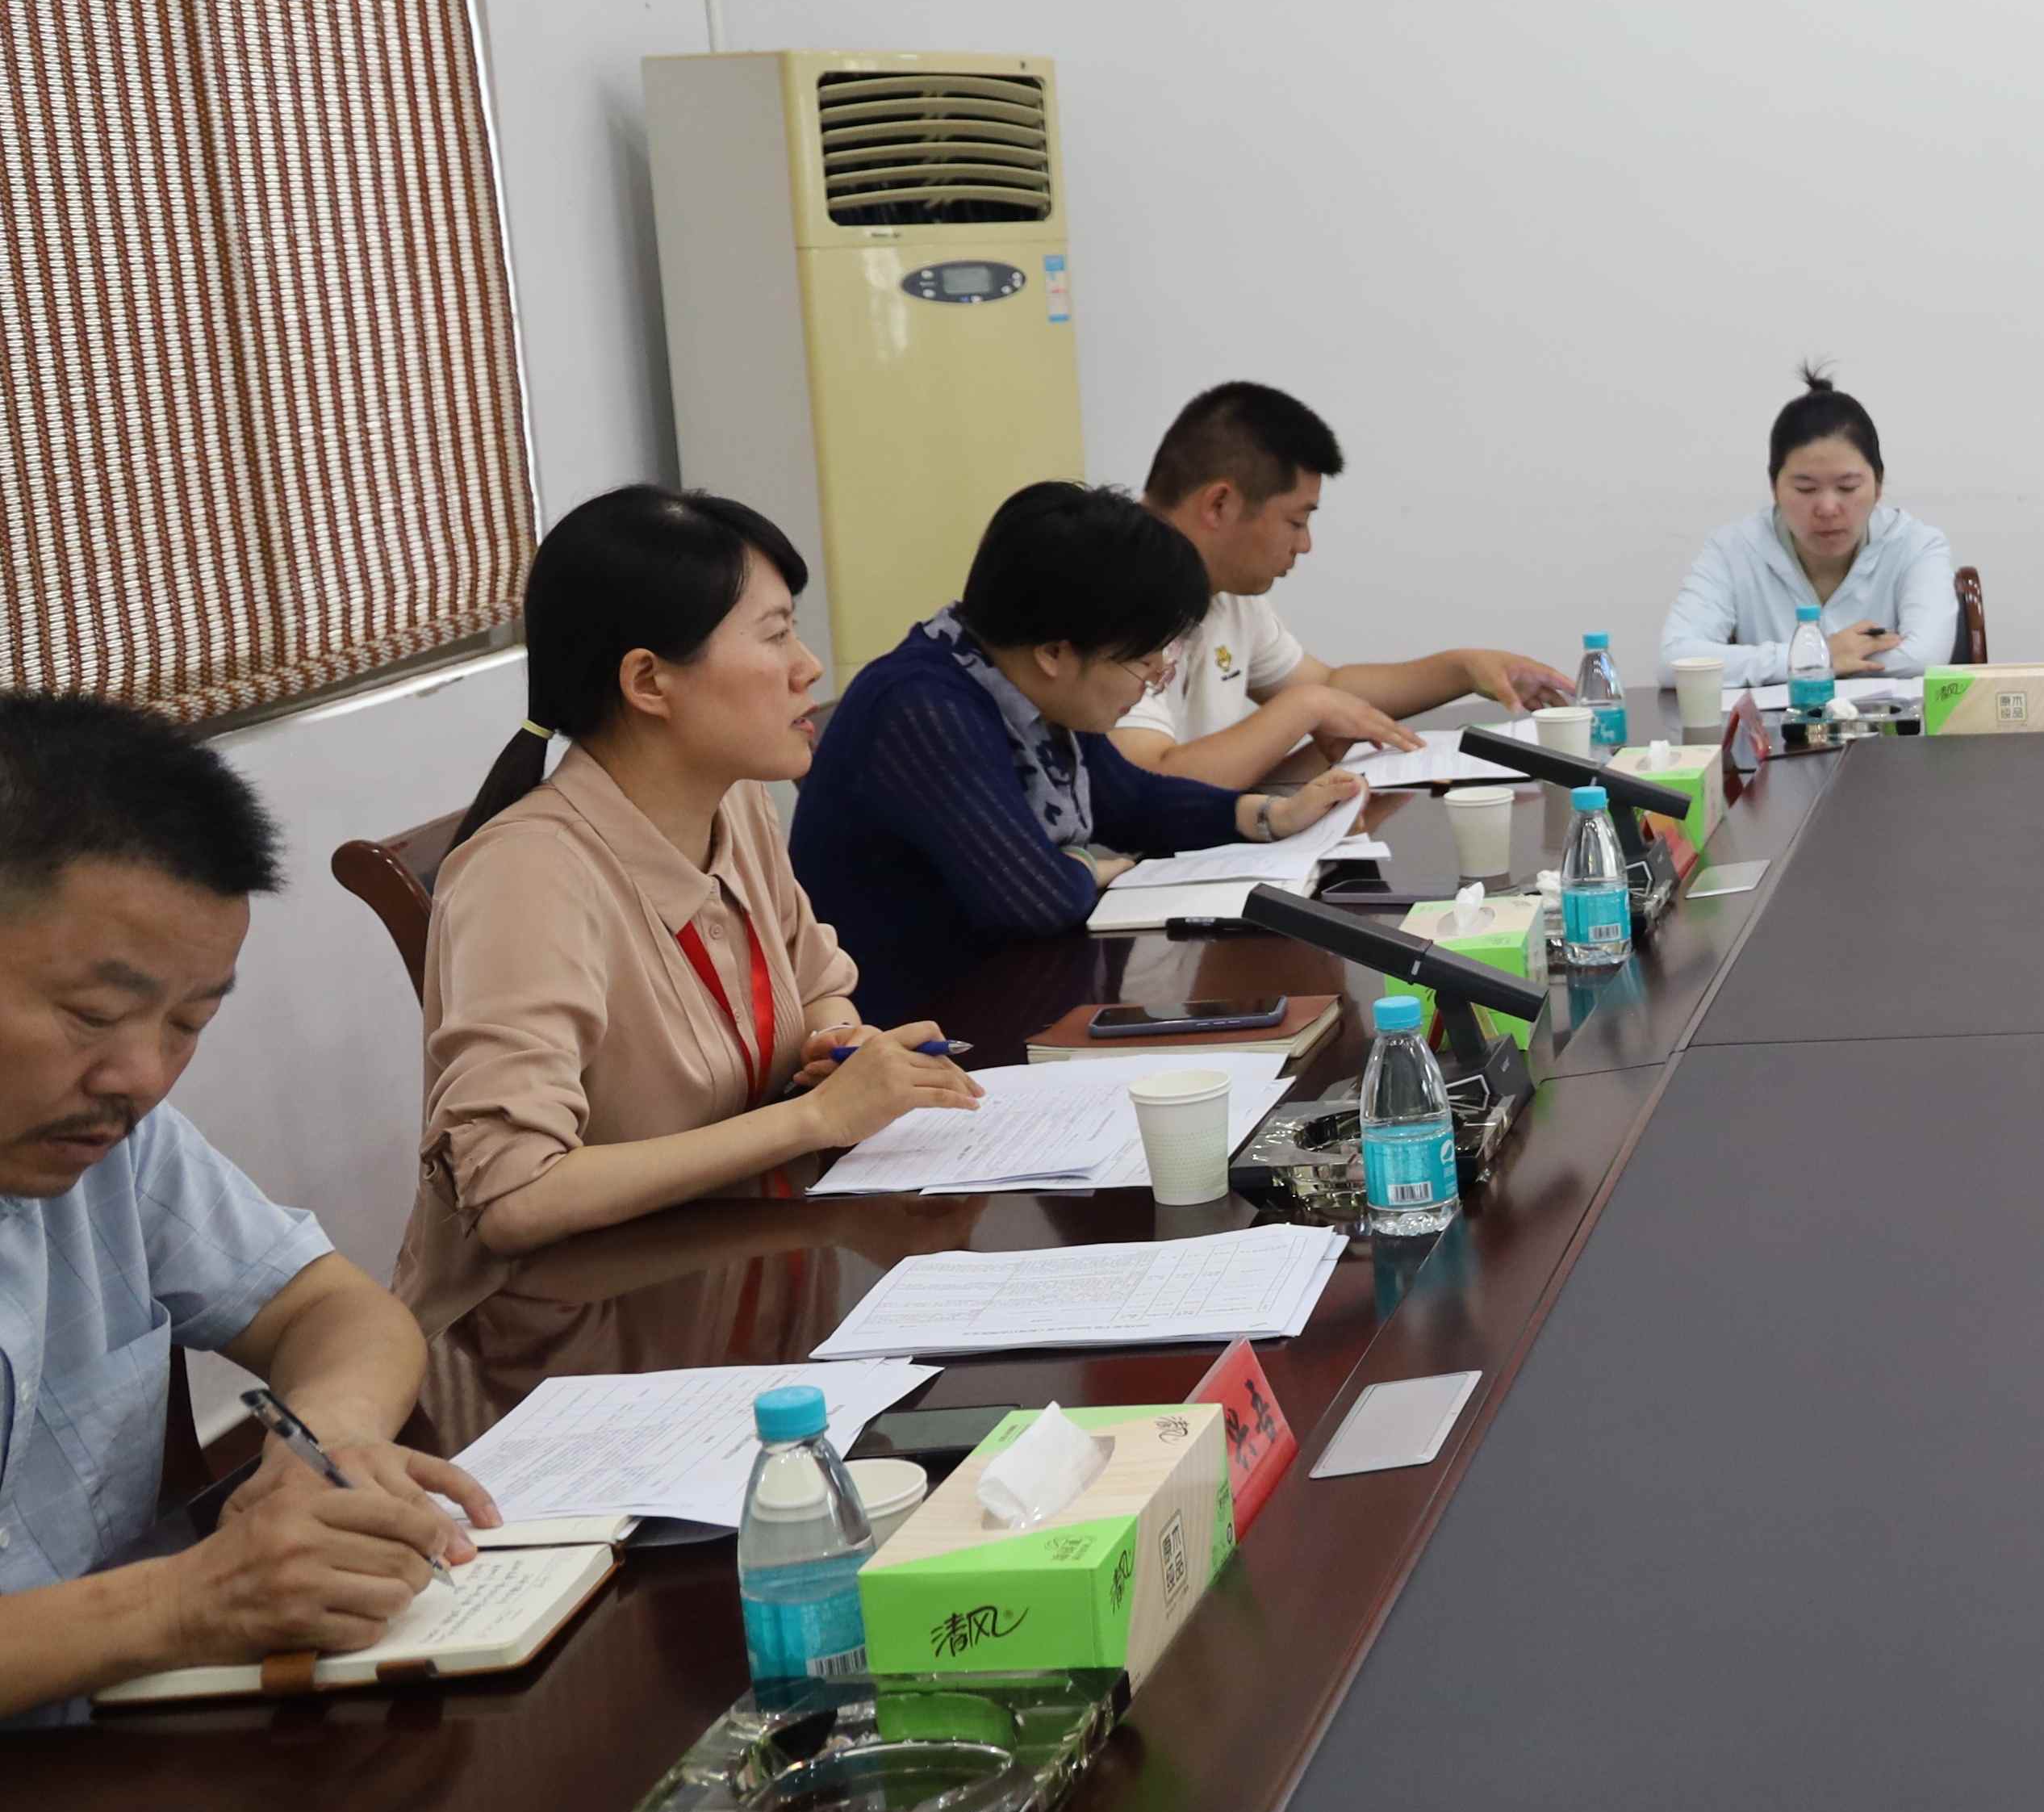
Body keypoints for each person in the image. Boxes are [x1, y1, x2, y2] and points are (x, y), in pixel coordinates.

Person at [0, 697, 493, 1721]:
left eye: (187, 1022)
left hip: (123, 1751)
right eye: (93, 1014)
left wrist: (328, 1443)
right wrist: (187, 1600)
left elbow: (334, 1308)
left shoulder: (107, 1145)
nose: (143, 1076)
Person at [396, 490, 984, 1324]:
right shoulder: (528, 873)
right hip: (562, 1336)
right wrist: (816, 1117)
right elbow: (516, 1191)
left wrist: (838, 1044)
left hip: (731, 1270)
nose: (808, 666)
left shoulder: (733, 802)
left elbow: (818, 982)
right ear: (648, 680)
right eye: (775, 634)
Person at [793, 480, 1364, 1015]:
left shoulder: (1021, 685)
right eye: (1142, 663)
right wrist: (1092, 865)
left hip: (1017, 991)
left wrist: (1269, 815)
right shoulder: (921, 708)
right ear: (1055, 652)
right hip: (924, 1025)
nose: (1154, 681)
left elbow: (1131, 801)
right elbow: (1033, 898)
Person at [1108, 381, 1565, 791]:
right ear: (1220, 505)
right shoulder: (1110, 593)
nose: (1305, 545)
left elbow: (1327, 685)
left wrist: (1463, 669)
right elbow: (1146, 782)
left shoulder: (1225, 590)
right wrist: (1304, 708)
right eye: (1296, 521)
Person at [1657, 364, 1963, 691]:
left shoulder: (1916, 544)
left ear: (1878, 485)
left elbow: (1925, 657)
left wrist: (1803, 664)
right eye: (1806, 489)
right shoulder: (1733, 548)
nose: (1828, 509)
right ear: (1775, 488)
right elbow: (1673, 662)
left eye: (1847, 487)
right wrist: (1824, 655)